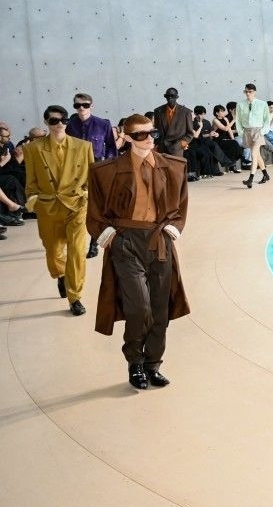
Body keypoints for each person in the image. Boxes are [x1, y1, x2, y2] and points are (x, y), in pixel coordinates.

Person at [87, 113, 190, 390]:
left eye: (152, 133)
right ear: (127, 137)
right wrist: (110, 236)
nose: (149, 139)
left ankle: (153, 364)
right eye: (141, 135)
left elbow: (180, 205)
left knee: (159, 308)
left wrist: (174, 227)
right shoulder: (104, 172)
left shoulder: (174, 166)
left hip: (160, 242)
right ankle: (135, 361)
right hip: (126, 242)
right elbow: (94, 211)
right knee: (138, 307)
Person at [24, 105, 94, 315]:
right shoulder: (33, 149)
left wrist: (88, 195)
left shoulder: (84, 146)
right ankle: (61, 275)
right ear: (46, 122)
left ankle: (75, 297)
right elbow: (31, 181)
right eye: (54, 121)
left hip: (77, 204)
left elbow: (91, 177)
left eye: (64, 120)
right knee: (53, 252)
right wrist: (34, 199)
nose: (60, 124)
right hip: (49, 206)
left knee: (77, 251)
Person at [235, 84, 272, 188]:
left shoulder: (262, 104)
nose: (248, 93)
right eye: (246, 91)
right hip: (246, 131)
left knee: (254, 154)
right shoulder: (240, 104)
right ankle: (266, 175)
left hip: (258, 131)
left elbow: (267, 119)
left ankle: (250, 179)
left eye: (250, 91)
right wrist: (241, 132)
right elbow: (238, 120)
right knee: (257, 155)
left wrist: (263, 131)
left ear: (254, 92)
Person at [65, 93, 119, 162]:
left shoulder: (103, 124)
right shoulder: (68, 125)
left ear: (91, 106)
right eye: (77, 105)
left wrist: (108, 163)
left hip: (96, 164)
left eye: (85, 105)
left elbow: (111, 146)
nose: (81, 108)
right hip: (74, 164)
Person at [152, 87, 195, 157]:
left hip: (176, 148)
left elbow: (190, 133)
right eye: (167, 96)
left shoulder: (186, 112)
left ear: (177, 97)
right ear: (165, 96)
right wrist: (156, 145)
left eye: (172, 96)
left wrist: (181, 144)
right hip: (161, 148)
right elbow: (157, 130)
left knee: (176, 164)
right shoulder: (158, 111)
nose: (170, 98)